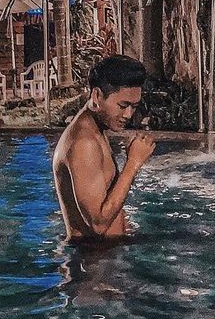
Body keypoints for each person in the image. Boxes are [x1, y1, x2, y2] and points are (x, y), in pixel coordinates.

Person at [52, 54, 155, 242]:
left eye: (134, 106)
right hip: (93, 263)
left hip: (105, 256)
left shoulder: (96, 130)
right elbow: (98, 224)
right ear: (97, 95)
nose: (128, 114)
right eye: (123, 105)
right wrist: (133, 162)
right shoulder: (84, 143)